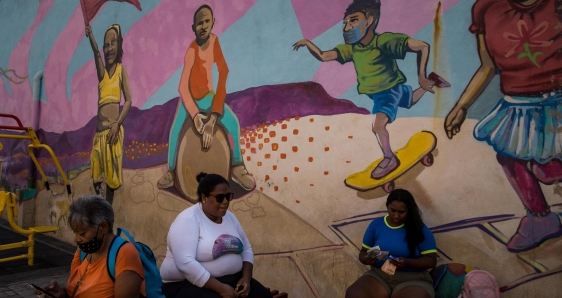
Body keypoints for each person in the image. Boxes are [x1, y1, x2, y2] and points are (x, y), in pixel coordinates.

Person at [444, 0, 562, 252]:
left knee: (550, 170)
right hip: (519, 104)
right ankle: (540, 219)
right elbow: (488, 66)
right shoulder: (486, 8)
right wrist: (461, 107)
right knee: (509, 156)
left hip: (558, 101)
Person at [293, 0, 448, 179]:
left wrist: (421, 74)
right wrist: (308, 43)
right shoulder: (352, 49)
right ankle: (432, 82)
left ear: (370, 20)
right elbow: (323, 56)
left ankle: (390, 158)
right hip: (387, 91)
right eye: (346, 22)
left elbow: (422, 46)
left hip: (387, 92)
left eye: (353, 20)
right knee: (410, 101)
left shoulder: (383, 41)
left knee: (378, 127)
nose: (347, 26)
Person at [157, 5, 254, 192]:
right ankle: (171, 170)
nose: (203, 26)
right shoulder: (191, 51)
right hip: (190, 100)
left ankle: (237, 167)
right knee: (175, 130)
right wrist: (194, 115)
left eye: (207, 21)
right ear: (193, 27)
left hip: (209, 97)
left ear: (213, 23)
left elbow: (224, 71)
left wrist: (215, 114)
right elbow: (182, 87)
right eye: (199, 23)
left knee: (232, 122)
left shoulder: (215, 41)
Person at [159, 173, 272, 298]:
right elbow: (185, 263)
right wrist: (221, 288)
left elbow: (246, 248)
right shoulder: (188, 220)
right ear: (204, 198)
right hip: (186, 285)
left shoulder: (230, 217)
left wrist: (246, 278)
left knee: (264, 296)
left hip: (231, 280)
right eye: (220, 198)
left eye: (228, 196)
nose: (225, 202)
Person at [40, 195, 145, 298]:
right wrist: (61, 293)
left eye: (82, 233)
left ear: (103, 227)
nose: (76, 239)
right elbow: (78, 290)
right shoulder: (84, 250)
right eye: (75, 232)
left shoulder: (125, 253)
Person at [346, 189, 437, 298]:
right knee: (354, 294)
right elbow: (364, 252)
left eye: (401, 212)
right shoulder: (377, 225)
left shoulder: (419, 229)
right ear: (387, 206)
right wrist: (366, 258)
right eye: (392, 210)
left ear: (409, 210)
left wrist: (407, 262)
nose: (396, 215)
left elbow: (431, 261)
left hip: (413, 279)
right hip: (379, 276)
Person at [85, 24, 132, 205]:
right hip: (100, 135)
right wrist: (91, 35)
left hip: (113, 134)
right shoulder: (102, 74)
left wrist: (117, 123)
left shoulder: (121, 71)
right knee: (97, 176)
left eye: (113, 43)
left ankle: (108, 212)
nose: (109, 48)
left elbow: (128, 101)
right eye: (106, 45)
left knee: (112, 179)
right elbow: (96, 53)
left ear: (119, 45)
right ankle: (99, 209)